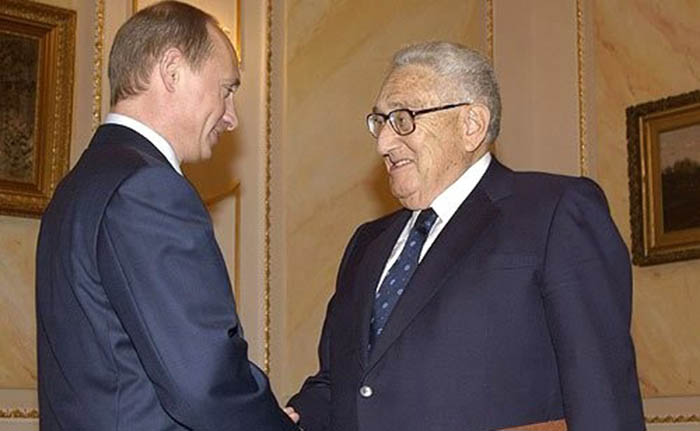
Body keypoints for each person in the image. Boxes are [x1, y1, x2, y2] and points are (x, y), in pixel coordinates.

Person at [287, 42, 646, 431]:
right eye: (380, 122)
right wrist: (289, 418)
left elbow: (602, 395)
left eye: (403, 119)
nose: (383, 143)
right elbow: (342, 382)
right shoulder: (366, 243)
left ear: (471, 124)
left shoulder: (555, 212)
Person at [35, 2, 297, 430]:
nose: (231, 117)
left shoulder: (77, 187)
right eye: (226, 89)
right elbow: (203, 384)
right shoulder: (148, 187)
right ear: (172, 70)